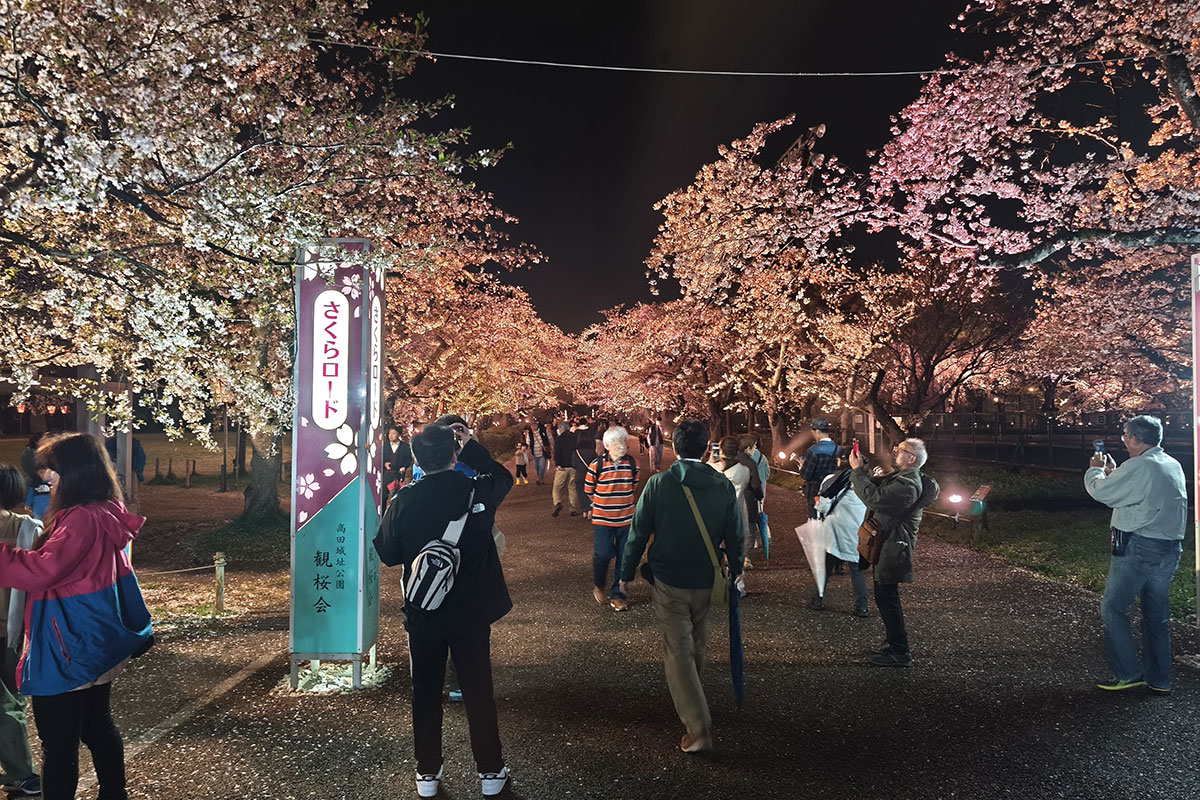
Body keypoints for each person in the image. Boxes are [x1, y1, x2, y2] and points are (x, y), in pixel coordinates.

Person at [0, 433, 153, 800]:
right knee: (96, 726)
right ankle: (114, 794)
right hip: (94, 636)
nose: (43, 476)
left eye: (50, 468)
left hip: (69, 642)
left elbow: (43, 571)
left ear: (73, 471)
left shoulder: (80, 519)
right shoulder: (104, 509)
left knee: (58, 740)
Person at [373, 424, 513, 798]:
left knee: (425, 692)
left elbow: (386, 554)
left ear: (416, 459)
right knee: (478, 690)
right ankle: (490, 772)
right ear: (454, 455)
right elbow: (503, 476)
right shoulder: (476, 491)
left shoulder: (403, 500)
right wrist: (471, 447)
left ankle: (427, 775)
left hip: (425, 613)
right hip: (471, 612)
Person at [620, 419, 743, 753]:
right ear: (706, 448)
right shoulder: (721, 485)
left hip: (669, 578)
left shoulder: (659, 484)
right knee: (697, 642)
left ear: (675, 447)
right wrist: (736, 570)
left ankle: (698, 726)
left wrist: (626, 572)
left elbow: (638, 531)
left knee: (678, 651)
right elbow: (735, 533)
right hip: (707, 577)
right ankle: (694, 696)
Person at [1084, 415, 1187, 694]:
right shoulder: (1170, 463)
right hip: (1168, 547)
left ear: (1135, 439)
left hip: (1139, 546)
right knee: (1156, 616)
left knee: (1114, 608)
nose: (1124, 440)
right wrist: (1118, 473)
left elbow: (1101, 492)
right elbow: (1138, 492)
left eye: (1125, 435)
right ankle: (1159, 678)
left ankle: (1128, 673)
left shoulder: (1140, 466)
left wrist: (1096, 470)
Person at [848, 438, 938, 668]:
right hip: (889, 544)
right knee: (886, 597)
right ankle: (895, 644)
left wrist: (858, 473)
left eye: (901, 450)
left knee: (887, 599)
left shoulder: (908, 485)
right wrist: (864, 471)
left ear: (912, 459)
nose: (895, 452)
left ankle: (900, 652)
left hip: (894, 545)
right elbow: (877, 489)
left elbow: (875, 498)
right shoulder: (902, 479)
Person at [0, 467, 40, 796]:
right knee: (11, 702)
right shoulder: (27, 529)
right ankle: (22, 772)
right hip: (13, 631)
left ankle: (22, 773)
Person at [583, 426, 639, 612]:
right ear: (607, 445)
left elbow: (633, 486)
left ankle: (618, 594)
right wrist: (602, 504)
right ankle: (599, 585)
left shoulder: (633, 464)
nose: (621, 446)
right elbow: (588, 490)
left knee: (624, 557)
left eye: (623, 441)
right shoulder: (596, 465)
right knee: (603, 554)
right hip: (603, 520)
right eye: (616, 442)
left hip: (626, 519)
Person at [809, 452, 870, 617]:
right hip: (858, 530)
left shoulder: (832, 480)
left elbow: (823, 506)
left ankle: (817, 599)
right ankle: (862, 606)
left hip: (834, 529)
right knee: (857, 570)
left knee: (826, 567)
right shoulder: (868, 482)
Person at [711, 437, 752, 586]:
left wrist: (712, 457)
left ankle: (717, 583)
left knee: (715, 550)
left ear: (720, 450)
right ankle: (738, 586)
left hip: (716, 515)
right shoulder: (745, 471)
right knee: (736, 551)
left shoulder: (712, 469)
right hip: (738, 514)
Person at [800, 418, 839, 521]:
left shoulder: (813, 451)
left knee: (816, 522)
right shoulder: (839, 449)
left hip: (816, 491)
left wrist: (802, 466)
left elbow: (805, 475)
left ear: (817, 431)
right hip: (836, 491)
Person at [551, 422, 580, 518]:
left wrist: (557, 463)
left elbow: (557, 452)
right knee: (572, 487)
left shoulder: (559, 439)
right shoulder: (574, 437)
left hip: (562, 466)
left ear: (562, 428)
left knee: (557, 487)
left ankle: (557, 502)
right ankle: (572, 508)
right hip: (573, 465)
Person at [573, 419, 596, 519]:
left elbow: (573, 464)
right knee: (591, 491)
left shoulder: (576, 452)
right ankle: (591, 509)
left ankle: (585, 510)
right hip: (590, 474)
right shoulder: (592, 451)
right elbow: (596, 463)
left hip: (580, 475)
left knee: (581, 492)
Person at [382, 425, 413, 497]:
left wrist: (404, 467)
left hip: (398, 474)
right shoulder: (384, 446)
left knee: (397, 496)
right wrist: (384, 464)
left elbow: (409, 459)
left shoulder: (405, 447)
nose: (391, 436)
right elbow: (380, 458)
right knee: (383, 496)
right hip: (386, 474)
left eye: (393, 433)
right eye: (390, 433)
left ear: (399, 434)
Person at [524, 419, 551, 485]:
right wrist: (528, 450)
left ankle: (539, 478)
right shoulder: (529, 434)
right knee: (536, 467)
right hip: (534, 453)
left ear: (537, 425)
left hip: (542, 452)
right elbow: (528, 443)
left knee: (542, 465)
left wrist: (551, 447)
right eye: (532, 426)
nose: (533, 427)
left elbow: (550, 438)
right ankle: (540, 477)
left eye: (534, 425)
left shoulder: (543, 431)